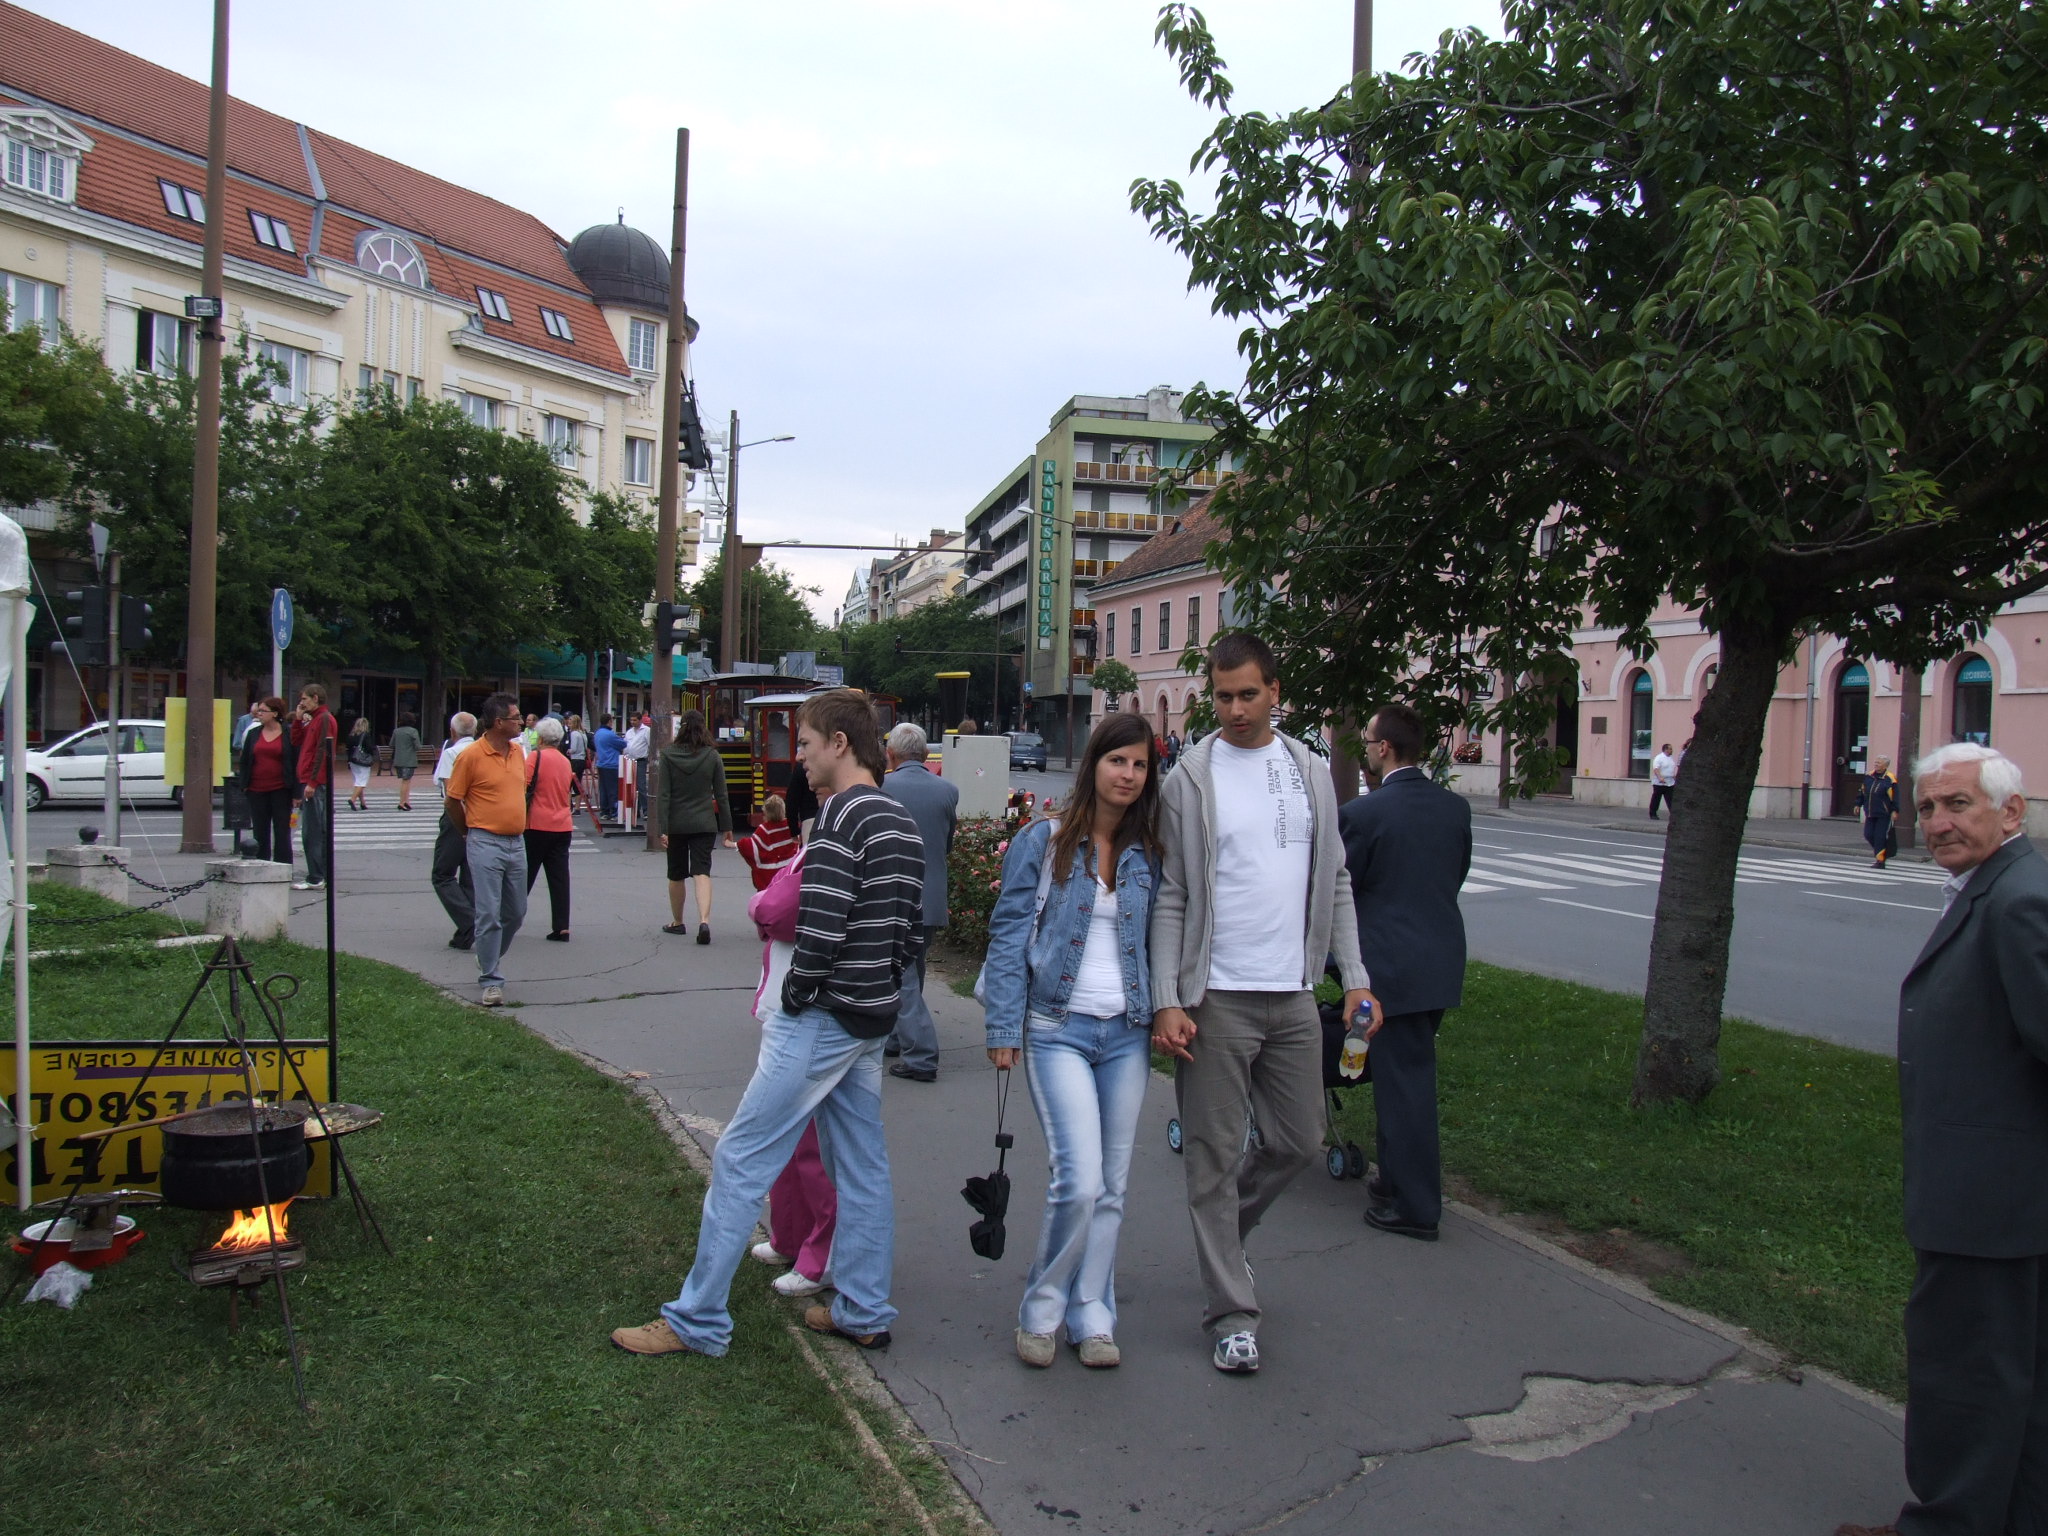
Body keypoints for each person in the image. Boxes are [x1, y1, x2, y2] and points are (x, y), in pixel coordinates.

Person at [612, 689, 921, 1359]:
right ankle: (864, 1308)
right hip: (870, 1018)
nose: (800, 758)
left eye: (805, 744)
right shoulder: (899, 818)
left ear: (840, 744)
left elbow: (822, 923)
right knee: (861, 1167)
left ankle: (697, 1319)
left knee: (742, 1157)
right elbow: (910, 932)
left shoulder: (841, 817)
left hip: (822, 1017)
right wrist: (877, 990)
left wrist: (799, 994)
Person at [1149, 632, 1374, 1375]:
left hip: (1294, 993)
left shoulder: (1309, 771)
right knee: (1211, 1159)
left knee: (1299, 1141)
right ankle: (1231, 1313)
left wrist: (1356, 975)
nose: (1236, 709)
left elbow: (1335, 880)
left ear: (1275, 691)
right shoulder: (1190, 778)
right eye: (1223, 697)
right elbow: (1173, 895)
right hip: (1216, 997)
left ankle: (1223, 1245)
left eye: (1249, 694)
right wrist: (1169, 998)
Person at [1842, 744, 2048, 1536]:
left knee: (1965, 1379)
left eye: (1958, 804)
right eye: (1926, 808)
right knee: (2013, 1379)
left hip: (1990, 1197)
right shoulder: (1993, 888)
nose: (1937, 822)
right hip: (2002, 1195)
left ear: (2011, 811)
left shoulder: (2017, 900)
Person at [983, 712, 1160, 1370]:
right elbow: (1008, 932)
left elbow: (1161, 936)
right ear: (1094, 764)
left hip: (1127, 1033)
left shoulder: (1148, 850)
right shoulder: (1047, 839)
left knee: (1112, 1187)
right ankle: (1042, 1309)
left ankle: (1094, 1315)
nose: (1128, 775)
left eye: (1140, 765)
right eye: (1118, 761)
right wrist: (1004, 1026)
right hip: (1058, 1029)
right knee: (1079, 1181)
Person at [1341, 702, 1472, 1242]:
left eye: (1370, 741)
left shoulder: (1364, 814)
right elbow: (1455, 874)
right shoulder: (1454, 808)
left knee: (1406, 1088)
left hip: (1389, 970)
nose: (1367, 750)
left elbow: (1342, 892)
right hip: (1438, 963)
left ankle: (1417, 1208)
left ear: (1384, 749)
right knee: (1399, 1079)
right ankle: (1394, 1181)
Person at [879, 722, 959, 1083]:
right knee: (914, 966)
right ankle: (898, 1036)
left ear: (890, 754)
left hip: (895, 896)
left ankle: (921, 1053)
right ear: (926, 754)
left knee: (902, 975)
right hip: (932, 896)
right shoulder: (948, 791)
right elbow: (947, 843)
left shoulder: (882, 788)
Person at [444, 692, 528, 1007]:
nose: (521, 722)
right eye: (516, 718)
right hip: (485, 841)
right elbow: (453, 800)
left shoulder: (518, 752)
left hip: (516, 842)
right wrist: (468, 831)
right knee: (489, 912)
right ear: (498, 722)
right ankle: (491, 979)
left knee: (516, 913)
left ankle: (487, 954)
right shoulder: (471, 756)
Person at [656, 709, 735, 942]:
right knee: (702, 872)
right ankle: (704, 921)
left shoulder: (668, 755)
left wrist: (663, 828)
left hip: (677, 824)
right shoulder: (712, 756)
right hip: (704, 823)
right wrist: (727, 826)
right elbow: (722, 795)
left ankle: (678, 922)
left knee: (676, 873)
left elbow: (664, 795)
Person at [524, 716, 576, 943]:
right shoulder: (565, 761)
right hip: (562, 824)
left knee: (524, 875)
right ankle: (562, 926)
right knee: (559, 877)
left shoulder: (535, 757)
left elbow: (523, 785)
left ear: (541, 738)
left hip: (536, 823)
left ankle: (509, 918)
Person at [432, 711, 478, 949]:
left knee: (442, 874)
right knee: (469, 875)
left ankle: (469, 922)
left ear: (452, 732)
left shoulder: (452, 752)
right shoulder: (480, 751)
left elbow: (451, 793)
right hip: (479, 815)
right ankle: (465, 932)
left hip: (456, 816)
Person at [235, 696, 296, 867]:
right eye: (258, 710)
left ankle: (283, 866)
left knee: (282, 830)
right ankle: (262, 865)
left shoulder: (288, 734)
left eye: (263, 711)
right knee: (260, 830)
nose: (259, 713)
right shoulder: (253, 733)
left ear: (275, 713)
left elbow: (295, 762)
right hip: (256, 789)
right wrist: (244, 784)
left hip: (281, 789)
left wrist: (297, 792)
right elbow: (245, 760)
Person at [293, 684, 338, 892]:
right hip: (312, 779)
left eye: (305, 699)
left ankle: (316, 876)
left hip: (315, 782)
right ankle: (320, 874)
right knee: (315, 830)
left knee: (313, 831)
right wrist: (298, 719)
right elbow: (297, 740)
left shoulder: (323, 719)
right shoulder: (316, 719)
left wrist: (312, 782)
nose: (302, 703)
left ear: (315, 698)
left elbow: (322, 751)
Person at [738, 795, 798, 892]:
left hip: (769, 879)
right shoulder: (790, 825)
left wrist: (738, 844)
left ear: (767, 813)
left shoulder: (764, 829)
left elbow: (751, 846)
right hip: (788, 874)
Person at [1859, 755, 1899, 870]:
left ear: (1885, 766)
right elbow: (1862, 791)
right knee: (1868, 834)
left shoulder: (1890, 779)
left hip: (1883, 813)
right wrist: (1858, 803)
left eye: (1879, 763)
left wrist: (1895, 810)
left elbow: (1895, 796)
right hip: (1870, 812)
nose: (1876, 764)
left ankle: (1880, 861)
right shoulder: (1869, 776)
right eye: (1876, 762)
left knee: (1880, 837)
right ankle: (1882, 851)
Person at [593, 714, 624, 821]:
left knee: (604, 789)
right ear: (609, 722)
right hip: (612, 764)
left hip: (601, 763)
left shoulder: (598, 733)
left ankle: (604, 811)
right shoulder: (610, 734)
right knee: (613, 790)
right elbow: (623, 744)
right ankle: (614, 812)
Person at [389, 712, 422, 811]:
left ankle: (407, 801)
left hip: (398, 759)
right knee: (406, 781)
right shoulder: (413, 731)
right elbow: (418, 746)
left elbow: (391, 744)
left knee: (405, 781)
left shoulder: (396, 731)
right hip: (409, 760)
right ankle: (402, 802)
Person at [345, 717, 376, 811]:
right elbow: (369, 748)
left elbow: (347, 749)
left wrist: (348, 761)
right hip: (363, 761)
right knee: (362, 782)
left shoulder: (351, 735)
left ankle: (363, 803)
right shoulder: (365, 735)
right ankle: (352, 799)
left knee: (357, 781)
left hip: (353, 760)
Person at [625, 712, 653, 812]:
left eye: (635, 720)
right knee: (632, 786)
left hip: (640, 760)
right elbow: (626, 745)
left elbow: (650, 744)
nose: (632, 722)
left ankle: (645, 810)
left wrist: (649, 757)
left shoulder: (646, 730)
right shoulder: (629, 732)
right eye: (631, 720)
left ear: (640, 720)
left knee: (641, 786)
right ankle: (635, 810)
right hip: (630, 760)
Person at [564, 713, 589, 811]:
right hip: (582, 760)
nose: (568, 722)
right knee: (578, 783)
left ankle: (569, 806)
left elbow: (573, 749)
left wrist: (568, 751)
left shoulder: (574, 734)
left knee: (569, 784)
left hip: (575, 760)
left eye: (570, 720)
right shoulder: (583, 733)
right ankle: (577, 808)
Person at [1648, 742, 1677, 820]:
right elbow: (1656, 768)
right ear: (1665, 749)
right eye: (1670, 749)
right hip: (1659, 783)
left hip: (1669, 782)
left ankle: (1674, 814)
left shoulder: (1671, 758)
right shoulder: (1659, 758)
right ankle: (1653, 813)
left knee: (1671, 799)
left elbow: (1671, 770)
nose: (1671, 750)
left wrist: (1674, 777)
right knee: (1656, 798)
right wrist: (1660, 777)